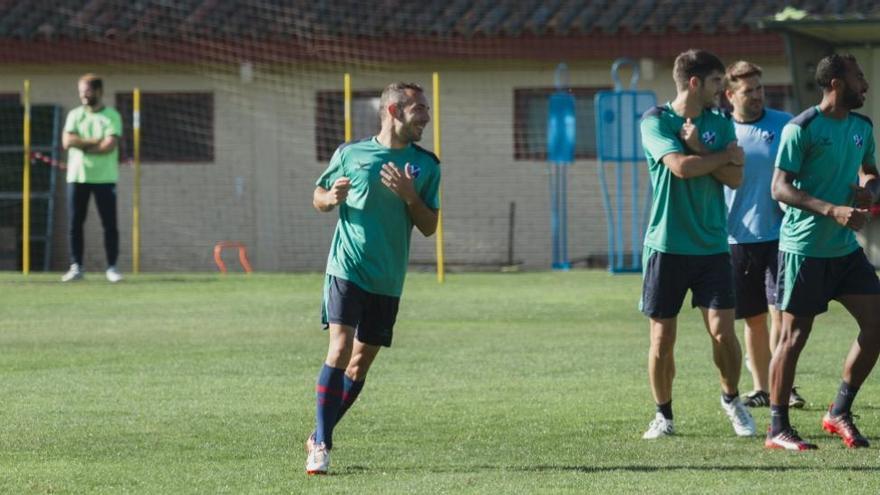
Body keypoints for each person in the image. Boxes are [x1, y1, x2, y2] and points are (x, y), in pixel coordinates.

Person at [305, 82, 441, 474]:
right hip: (347, 267)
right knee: (341, 346)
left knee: (359, 365)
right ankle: (323, 446)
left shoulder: (428, 165)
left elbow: (429, 226)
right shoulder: (350, 153)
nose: (426, 117)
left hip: (388, 277)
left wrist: (411, 196)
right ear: (394, 111)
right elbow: (318, 194)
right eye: (419, 109)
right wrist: (330, 199)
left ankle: (317, 434)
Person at [639, 49, 755, 439]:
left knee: (724, 333)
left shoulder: (720, 123)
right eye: (717, 83)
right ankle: (664, 416)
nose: (723, 90)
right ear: (694, 83)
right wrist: (718, 157)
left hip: (711, 246)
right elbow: (680, 168)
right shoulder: (656, 120)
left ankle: (731, 399)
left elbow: (735, 179)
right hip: (666, 246)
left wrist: (706, 152)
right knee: (662, 340)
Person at [767, 53, 878, 450]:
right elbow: (779, 188)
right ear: (835, 83)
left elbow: (869, 170)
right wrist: (831, 209)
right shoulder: (802, 128)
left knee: (877, 323)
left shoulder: (862, 127)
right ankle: (777, 428)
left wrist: (868, 188)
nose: (864, 85)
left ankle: (839, 411)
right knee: (793, 338)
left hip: (844, 250)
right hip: (805, 249)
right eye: (858, 77)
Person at [721, 61, 806, 409]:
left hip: (779, 236)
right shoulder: (720, 130)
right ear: (729, 95)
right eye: (748, 91)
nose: (757, 96)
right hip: (733, 241)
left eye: (759, 89)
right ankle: (760, 388)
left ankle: (783, 385)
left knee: (780, 315)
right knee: (752, 318)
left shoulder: (784, 125)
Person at [61, 73, 123, 283]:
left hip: (104, 179)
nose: (83, 95)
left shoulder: (111, 116)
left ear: (98, 91)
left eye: (87, 91)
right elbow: (67, 141)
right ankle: (76, 267)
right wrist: (93, 141)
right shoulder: (75, 115)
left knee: (109, 224)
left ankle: (112, 268)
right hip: (77, 177)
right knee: (75, 224)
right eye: (81, 92)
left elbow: (109, 146)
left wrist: (82, 144)